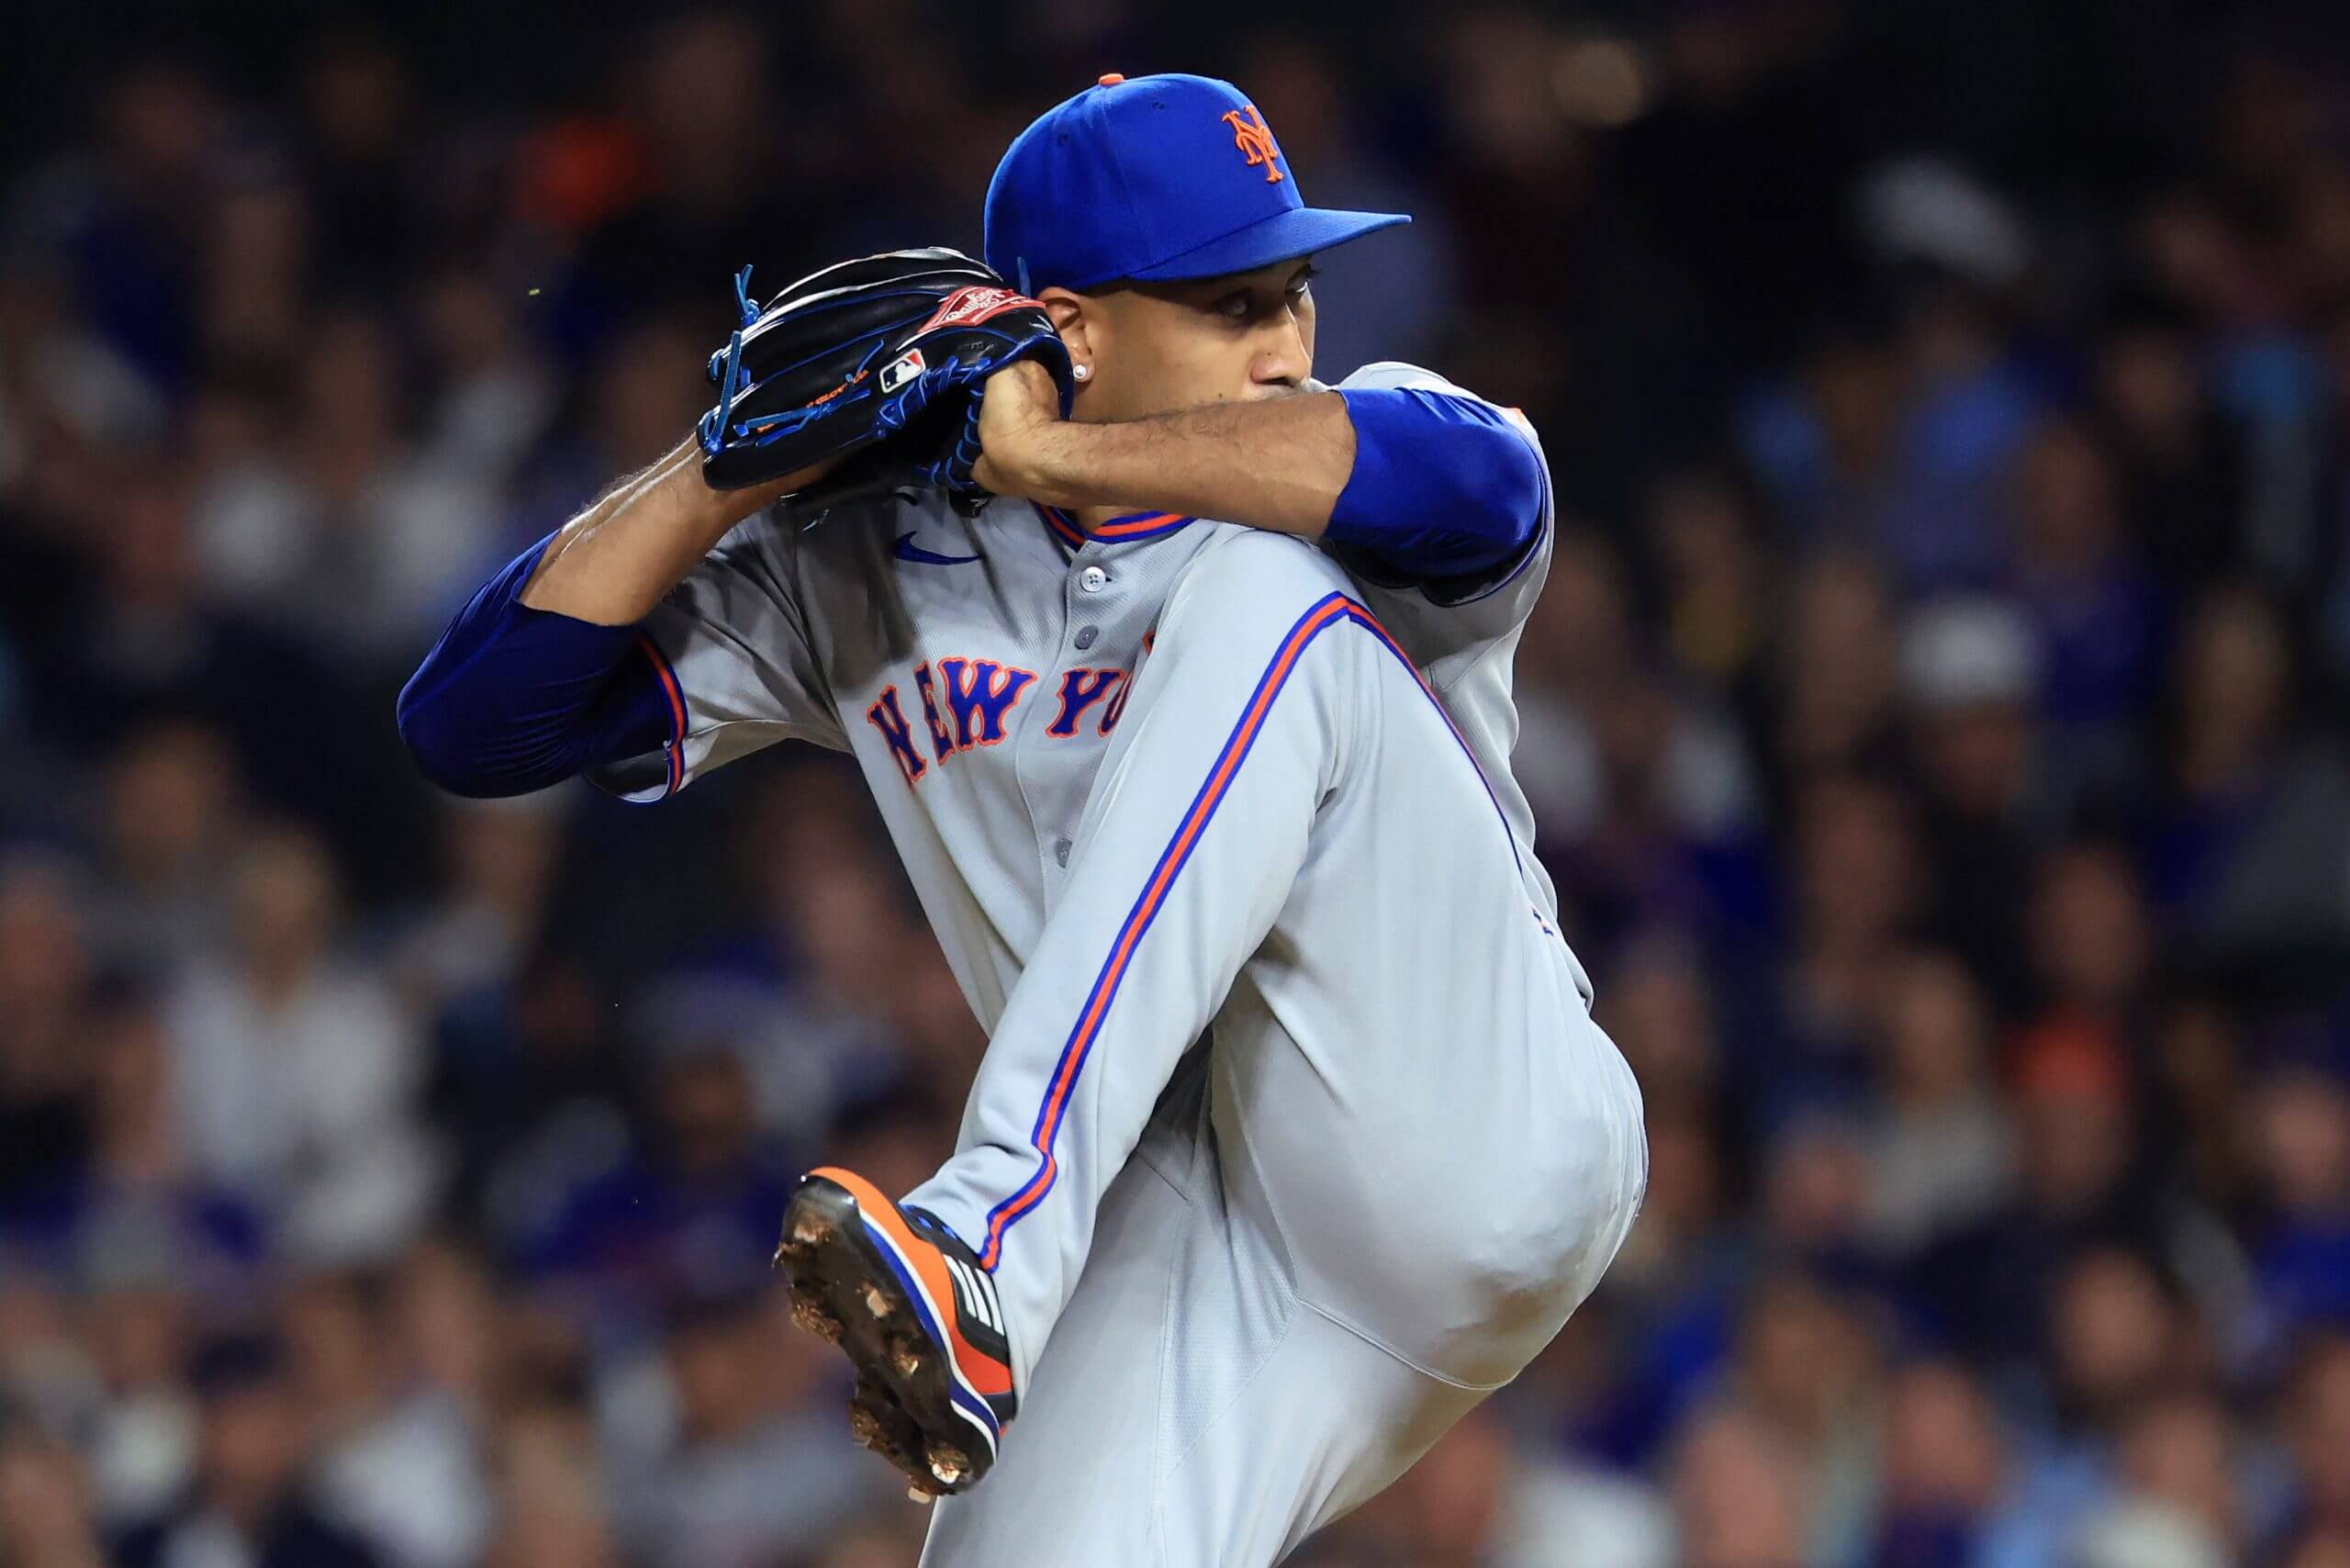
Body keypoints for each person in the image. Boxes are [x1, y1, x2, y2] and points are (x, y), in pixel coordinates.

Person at [398, 72, 1646, 1567]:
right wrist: (731, 468)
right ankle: (997, 1256)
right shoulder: (872, 566)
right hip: (1184, 1222)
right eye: (1233, 304)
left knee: (1269, 600)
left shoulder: (1379, 451)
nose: (1289, 344)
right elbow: (475, 725)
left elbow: (1452, 478)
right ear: (1071, 325)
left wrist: (1048, 453)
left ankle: (987, 1233)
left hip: (1461, 1118)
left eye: (1292, 294)